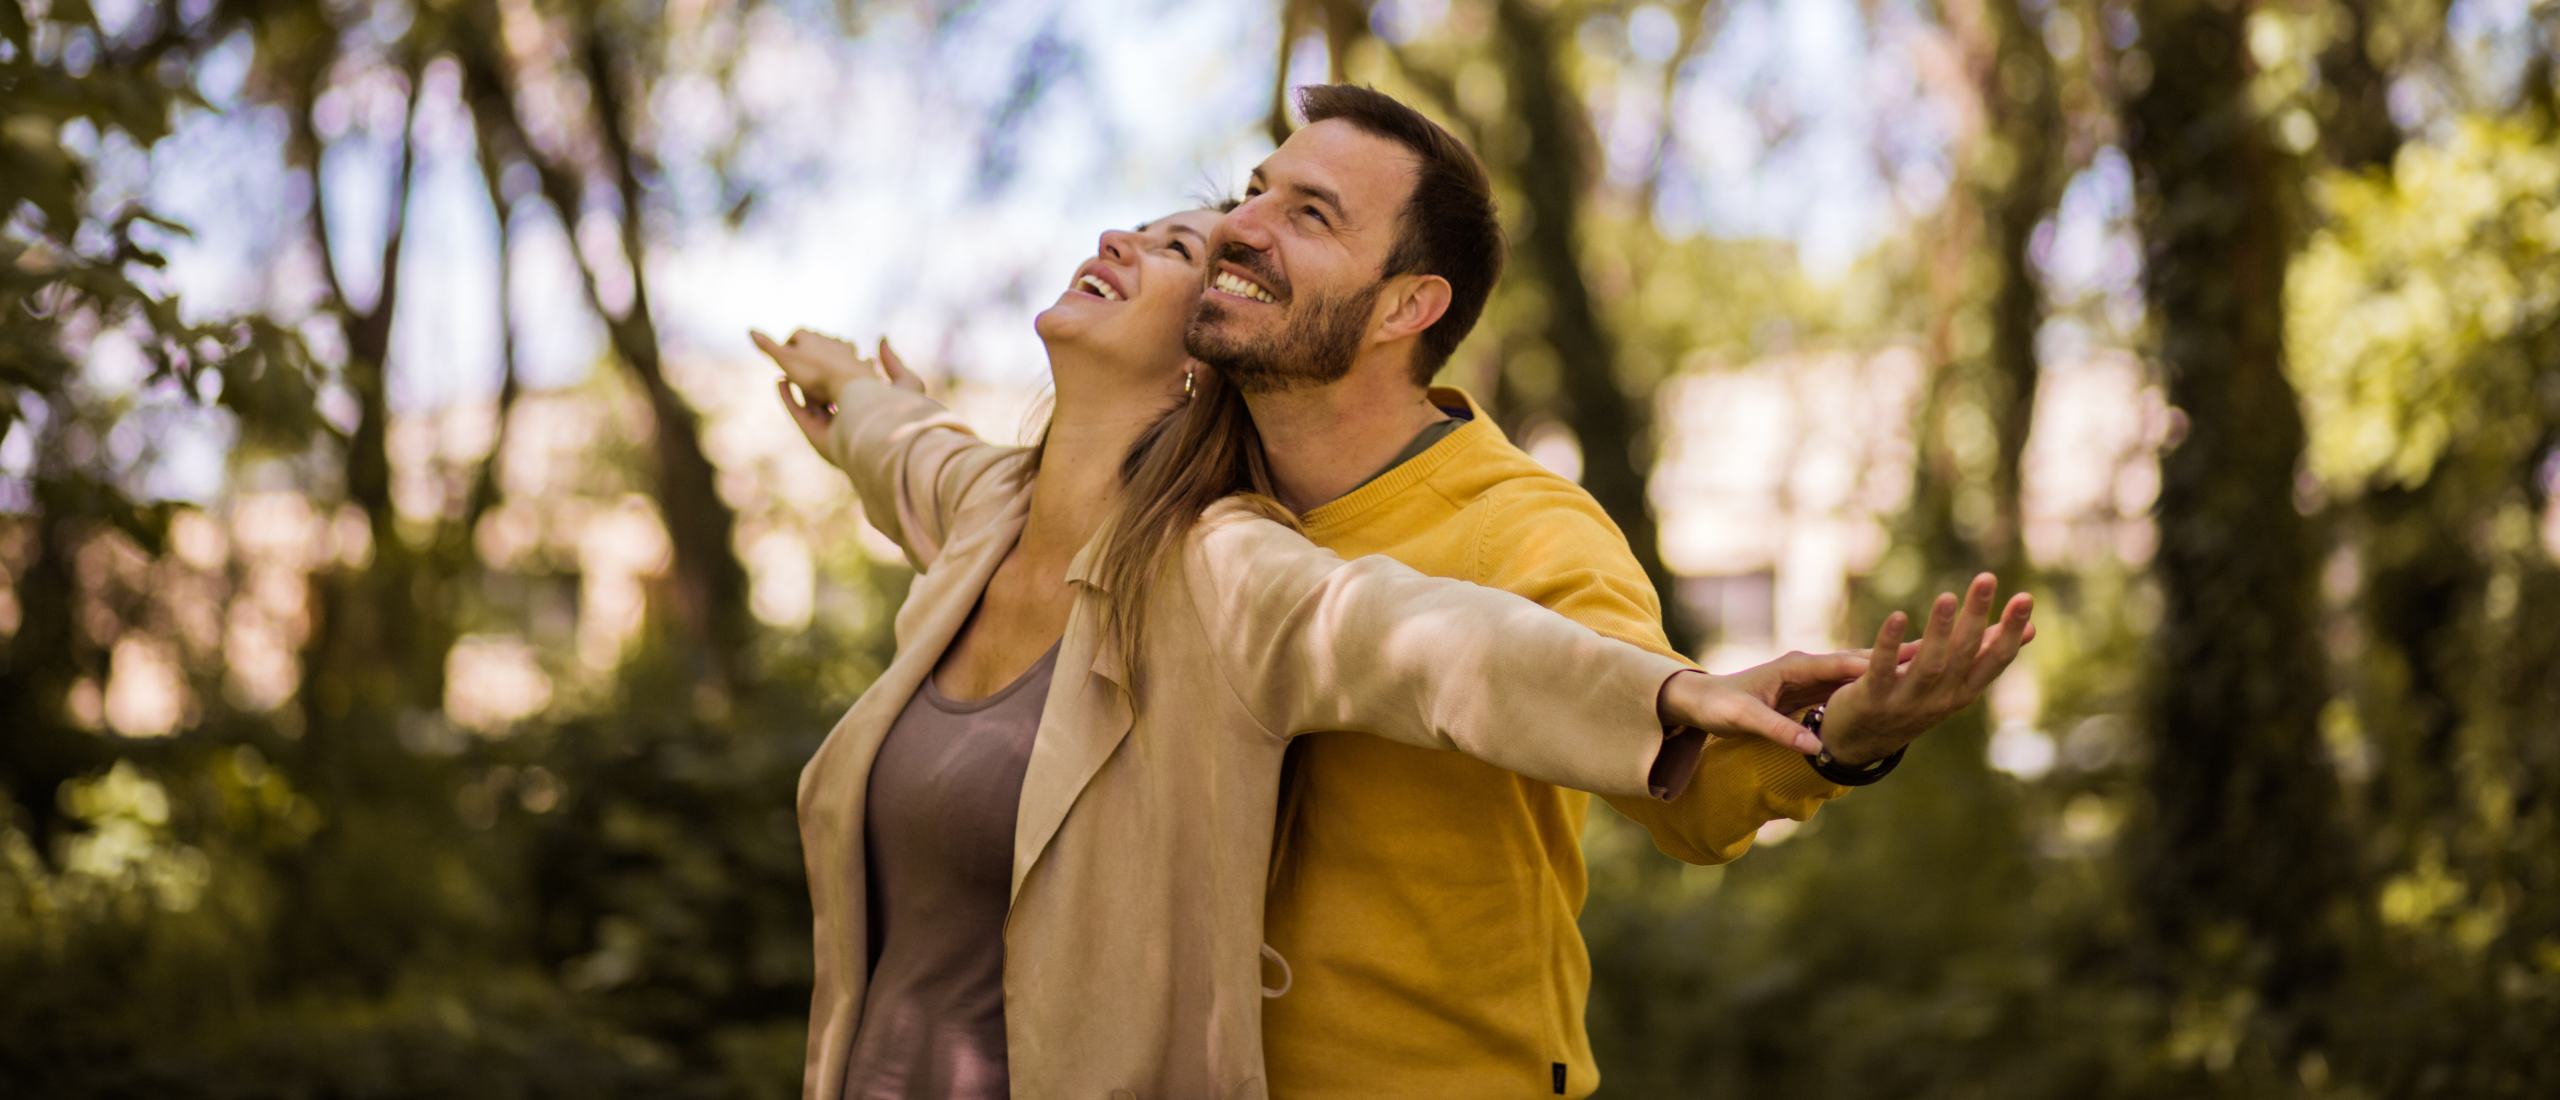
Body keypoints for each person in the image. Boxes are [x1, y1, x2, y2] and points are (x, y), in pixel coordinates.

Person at [756, 209, 1976, 1100]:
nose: (1135, 237)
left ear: (1205, 355)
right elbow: (906, 446)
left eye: (1185, 249)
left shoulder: (1228, 566)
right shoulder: (989, 512)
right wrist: (844, 387)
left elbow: (1429, 640)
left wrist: (1680, 692)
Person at [1174, 84, 2040, 1098]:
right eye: (1252, 191)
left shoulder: (1525, 527)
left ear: (1407, 305)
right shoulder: (1187, 493)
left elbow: (1681, 792)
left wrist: (1842, 738)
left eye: (1306, 212)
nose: (1239, 225)